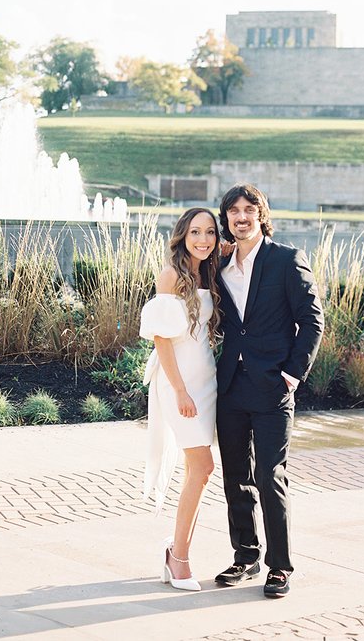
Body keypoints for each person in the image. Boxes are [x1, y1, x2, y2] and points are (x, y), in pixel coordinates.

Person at [215, 183, 324, 598]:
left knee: (269, 475)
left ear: (261, 214)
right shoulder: (220, 267)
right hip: (230, 387)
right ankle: (246, 557)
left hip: (273, 386)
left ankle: (279, 566)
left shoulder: (285, 260)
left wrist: (293, 374)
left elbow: (313, 321)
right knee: (235, 478)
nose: (241, 217)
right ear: (226, 218)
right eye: (233, 211)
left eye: (249, 209)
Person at [140, 207, 221, 592]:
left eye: (209, 233)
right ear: (182, 236)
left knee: (199, 473)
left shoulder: (210, 271)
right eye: (195, 233)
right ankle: (179, 558)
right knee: (202, 468)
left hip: (206, 380)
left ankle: (178, 550)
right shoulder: (171, 275)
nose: (203, 240)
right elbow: (162, 339)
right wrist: (180, 390)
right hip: (179, 383)